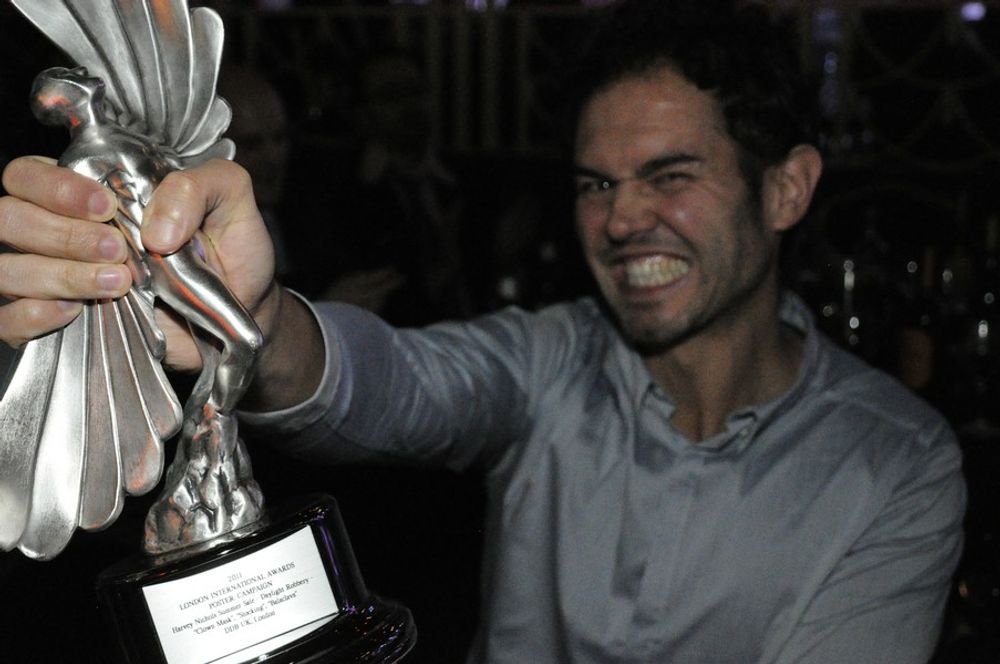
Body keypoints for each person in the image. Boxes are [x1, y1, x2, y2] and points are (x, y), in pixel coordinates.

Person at [0, 1, 965, 662]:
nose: (623, 219)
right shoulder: (551, 362)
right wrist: (249, 314)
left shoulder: (896, 463)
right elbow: (386, 382)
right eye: (596, 184)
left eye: (671, 176)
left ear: (787, 189)